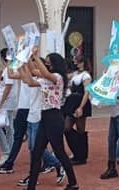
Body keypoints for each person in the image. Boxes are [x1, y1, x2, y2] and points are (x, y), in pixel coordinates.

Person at [19, 49, 78, 190]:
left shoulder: (57, 77)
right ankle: (31, 185)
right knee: (37, 151)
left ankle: (73, 183)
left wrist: (33, 55)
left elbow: (43, 72)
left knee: (59, 151)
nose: (46, 63)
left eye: (48, 61)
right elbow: (29, 79)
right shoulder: (48, 78)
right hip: (45, 117)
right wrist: (22, 62)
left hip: (54, 117)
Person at [15, 62, 65, 187]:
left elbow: (34, 75)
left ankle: (56, 165)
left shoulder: (46, 80)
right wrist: (20, 62)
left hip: (41, 117)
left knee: (36, 148)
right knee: (35, 149)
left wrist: (31, 59)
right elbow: (26, 79)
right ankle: (36, 176)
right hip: (31, 116)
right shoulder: (40, 80)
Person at [0, 49, 17, 168]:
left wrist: (0, 105)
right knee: (9, 127)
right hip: (9, 102)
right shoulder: (11, 69)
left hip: (6, 103)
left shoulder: (9, 70)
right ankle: (9, 151)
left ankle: (6, 152)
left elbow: (7, 87)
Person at [66, 57, 92, 165]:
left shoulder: (86, 75)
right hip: (72, 101)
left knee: (80, 129)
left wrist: (81, 107)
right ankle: (77, 152)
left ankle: (81, 156)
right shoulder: (74, 74)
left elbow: (87, 92)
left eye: (80, 61)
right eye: (76, 61)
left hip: (80, 101)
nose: (77, 63)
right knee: (66, 128)